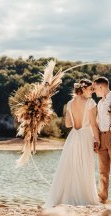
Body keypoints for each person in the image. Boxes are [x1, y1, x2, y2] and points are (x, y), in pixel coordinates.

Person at [44, 79, 100, 207]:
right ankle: (85, 197)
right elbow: (93, 124)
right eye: (91, 89)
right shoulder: (90, 103)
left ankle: (70, 196)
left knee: (72, 166)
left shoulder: (69, 103)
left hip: (74, 136)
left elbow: (68, 124)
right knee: (86, 166)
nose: (92, 92)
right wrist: (97, 140)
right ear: (84, 89)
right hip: (86, 135)